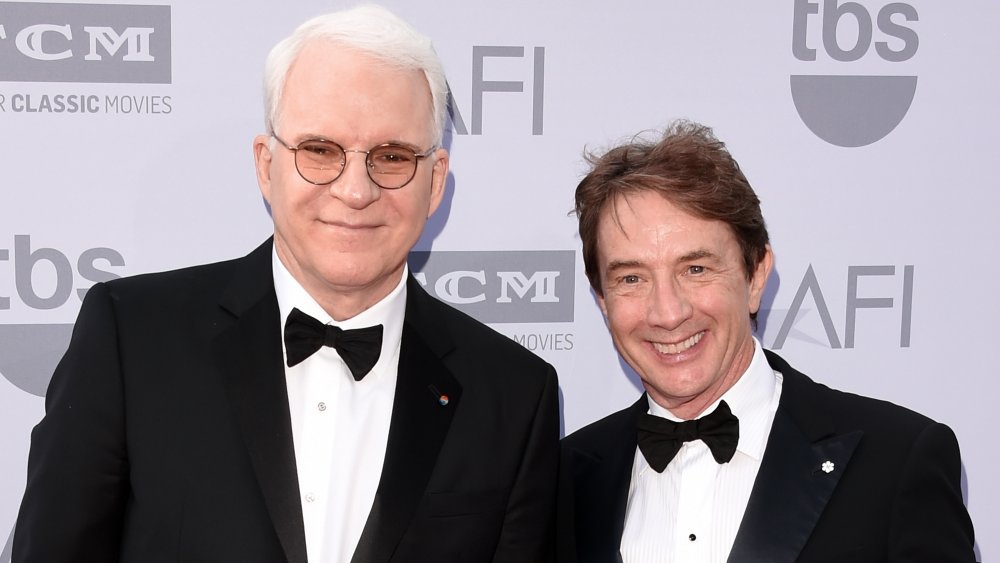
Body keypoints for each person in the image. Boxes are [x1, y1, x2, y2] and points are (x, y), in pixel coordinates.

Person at [13, 5, 559, 563]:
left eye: (392, 157)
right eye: (320, 151)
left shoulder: (514, 396)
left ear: (435, 181)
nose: (354, 191)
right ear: (264, 164)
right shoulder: (132, 339)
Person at [558, 121, 976, 562]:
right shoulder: (564, 479)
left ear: (756, 275)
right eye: (631, 278)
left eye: (695, 269)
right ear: (603, 300)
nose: (668, 313)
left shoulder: (895, 462)